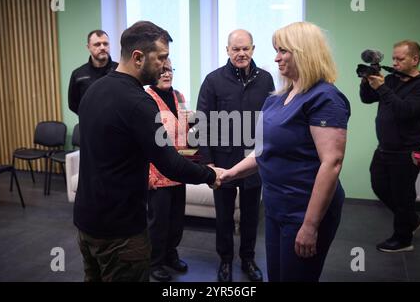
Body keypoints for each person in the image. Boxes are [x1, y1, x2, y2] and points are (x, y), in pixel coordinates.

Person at [74, 21, 221, 282]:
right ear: (138, 57)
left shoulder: (94, 91)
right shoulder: (139, 103)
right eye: (161, 58)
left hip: (87, 224)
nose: (166, 66)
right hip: (121, 234)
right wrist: (211, 175)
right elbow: (170, 164)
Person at [221, 22, 351, 282]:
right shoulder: (277, 98)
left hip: (304, 211)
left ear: (304, 52)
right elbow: (261, 151)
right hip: (275, 207)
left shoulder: (325, 98)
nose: (276, 57)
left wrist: (311, 225)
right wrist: (228, 174)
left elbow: (332, 163)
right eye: (276, 50)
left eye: (283, 51)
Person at [196, 29, 275, 282]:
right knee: (224, 216)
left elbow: (269, 119)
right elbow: (203, 123)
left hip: (254, 160)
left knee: (251, 215)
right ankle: (226, 261)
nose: (241, 53)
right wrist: (208, 162)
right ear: (227, 50)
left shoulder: (266, 79)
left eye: (246, 48)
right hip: (222, 162)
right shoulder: (213, 80)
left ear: (253, 49)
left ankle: (248, 259)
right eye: (236, 49)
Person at [360, 40, 420, 253]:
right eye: (393, 58)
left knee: (403, 196)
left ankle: (403, 239)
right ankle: (411, 220)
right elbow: (366, 99)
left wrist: (382, 87)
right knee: (379, 185)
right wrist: (367, 81)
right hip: (385, 147)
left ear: (415, 59)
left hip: (407, 150)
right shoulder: (391, 79)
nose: (395, 62)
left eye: (400, 59)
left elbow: (405, 111)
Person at [146, 59, 190, 282]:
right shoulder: (146, 98)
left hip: (178, 171)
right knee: (159, 222)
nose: (166, 74)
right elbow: (142, 139)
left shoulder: (179, 97)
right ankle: (155, 262)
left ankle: (171, 254)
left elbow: (184, 131)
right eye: (161, 70)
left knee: (176, 221)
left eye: (169, 70)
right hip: (157, 174)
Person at [68, 30, 118, 114]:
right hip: (89, 124)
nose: (102, 47)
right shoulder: (78, 74)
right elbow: (73, 105)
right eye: (97, 44)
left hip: (117, 124)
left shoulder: (119, 70)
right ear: (88, 47)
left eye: (105, 44)